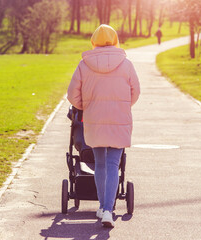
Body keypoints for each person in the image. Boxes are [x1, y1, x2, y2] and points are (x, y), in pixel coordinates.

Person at [67, 24, 140, 228]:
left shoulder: (84, 64)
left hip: (94, 120)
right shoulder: (126, 64)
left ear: (94, 41)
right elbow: (136, 92)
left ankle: (103, 207)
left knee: (99, 163)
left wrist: (87, 106)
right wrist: (123, 105)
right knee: (113, 165)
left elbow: (72, 95)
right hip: (119, 120)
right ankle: (108, 209)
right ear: (115, 40)